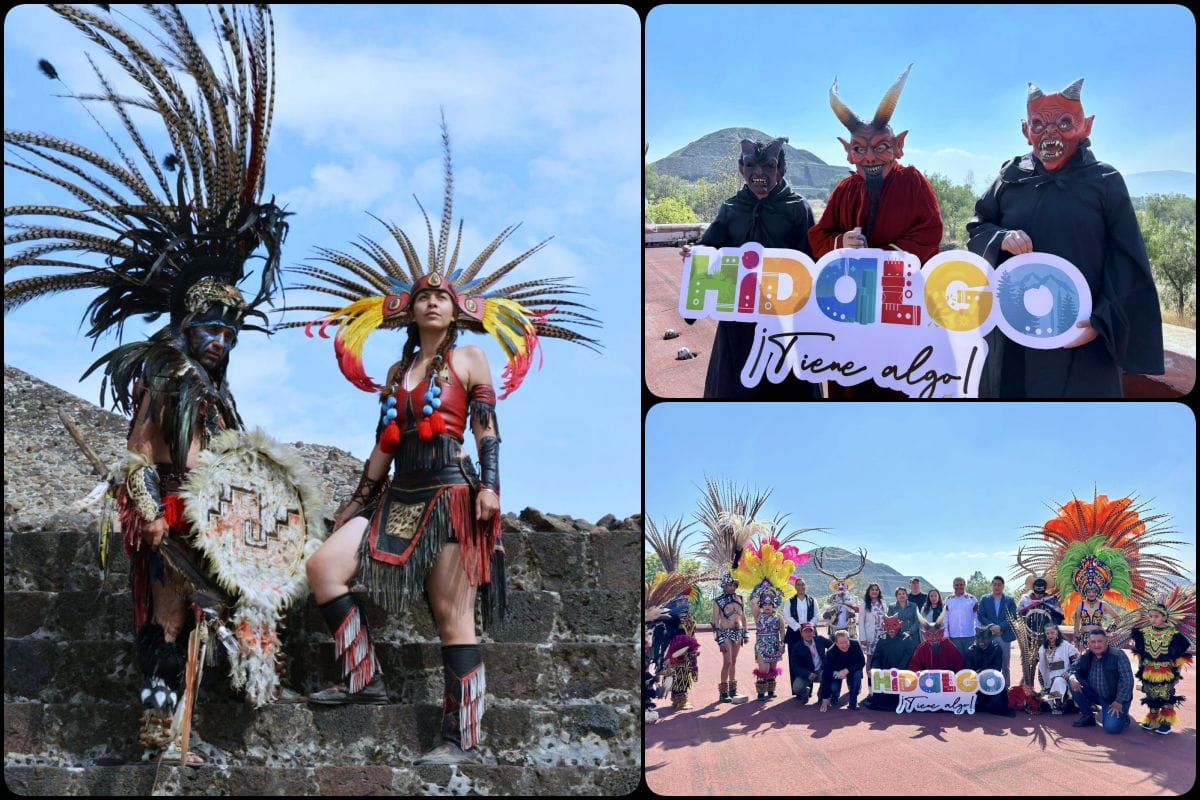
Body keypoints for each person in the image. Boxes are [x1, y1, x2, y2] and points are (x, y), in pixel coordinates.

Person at [3, 5, 293, 764]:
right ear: (187, 328)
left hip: (209, 519)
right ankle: (162, 738)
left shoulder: (217, 391)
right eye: (211, 328)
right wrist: (151, 513)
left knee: (196, 620)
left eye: (230, 330)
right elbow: (135, 452)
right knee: (168, 618)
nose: (222, 339)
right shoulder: (164, 375)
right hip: (170, 512)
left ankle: (178, 736)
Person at [289, 125, 599, 765]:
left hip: (452, 496)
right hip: (397, 493)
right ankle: (363, 679)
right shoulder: (399, 375)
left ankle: (465, 736)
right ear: (408, 312)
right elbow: (382, 445)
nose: (432, 302)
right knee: (324, 567)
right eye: (424, 296)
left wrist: (490, 488)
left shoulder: (470, 357)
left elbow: (487, 429)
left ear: (457, 311)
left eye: (442, 297)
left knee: (450, 615)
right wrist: (353, 505)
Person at [966, 78, 1164, 397]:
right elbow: (978, 225)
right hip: (1016, 333)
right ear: (1025, 130)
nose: (1050, 134)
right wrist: (1000, 237)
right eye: (1039, 124)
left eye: (1064, 123)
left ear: (1086, 127)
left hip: (1081, 337)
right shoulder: (1010, 174)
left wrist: (1102, 321)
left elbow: (1126, 258)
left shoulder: (1105, 181)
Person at [809, 64, 944, 400]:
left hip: (897, 305)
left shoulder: (913, 182)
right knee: (849, 382)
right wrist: (842, 244)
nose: (869, 156)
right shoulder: (844, 189)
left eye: (881, 146)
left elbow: (930, 232)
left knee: (897, 382)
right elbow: (819, 236)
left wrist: (880, 259)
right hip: (849, 308)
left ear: (899, 146)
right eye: (860, 147)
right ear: (847, 150)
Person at [681, 136, 822, 399]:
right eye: (750, 166)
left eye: (768, 166)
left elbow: (810, 262)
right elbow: (710, 248)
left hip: (784, 323)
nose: (759, 173)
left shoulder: (797, 209)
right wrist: (694, 252)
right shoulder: (731, 208)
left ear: (781, 170)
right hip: (738, 322)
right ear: (740, 169)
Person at [1129, 588, 1195, 735]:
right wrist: (1142, 669)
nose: (1152, 619)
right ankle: (1152, 719)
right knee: (1151, 695)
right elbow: (1141, 654)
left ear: (1164, 617)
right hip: (1149, 671)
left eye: (1156, 616)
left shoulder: (1174, 634)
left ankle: (1166, 723)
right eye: (1150, 616)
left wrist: (1176, 675)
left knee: (1166, 696)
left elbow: (1180, 656)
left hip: (1167, 671)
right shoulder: (1143, 633)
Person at [1068, 628, 1133, 734]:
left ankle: (1123, 714)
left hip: (1115, 699)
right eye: (1093, 642)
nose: (1096, 645)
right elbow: (1073, 669)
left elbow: (1127, 681)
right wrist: (1072, 678)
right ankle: (1088, 716)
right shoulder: (1086, 655)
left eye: (1100, 641)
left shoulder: (1118, 655)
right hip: (1097, 695)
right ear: (1089, 643)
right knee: (1073, 681)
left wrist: (1119, 701)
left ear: (1106, 641)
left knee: (1112, 728)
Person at [712, 571, 751, 704]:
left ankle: (733, 690)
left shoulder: (740, 598)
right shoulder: (718, 601)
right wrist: (719, 639)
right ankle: (723, 692)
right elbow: (715, 621)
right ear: (724, 586)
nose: (732, 587)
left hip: (738, 632)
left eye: (733, 585)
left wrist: (745, 632)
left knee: (733, 661)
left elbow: (743, 616)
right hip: (725, 633)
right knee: (727, 662)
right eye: (729, 585)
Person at [863, 614, 915, 711]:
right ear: (884, 626)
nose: (891, 629)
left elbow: (909, 656)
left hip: (902, 674)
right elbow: (877, 657)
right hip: (886, 674)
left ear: (899, 625)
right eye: (888, 626)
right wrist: (874, 668)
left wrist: (898, 670)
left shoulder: (906, 638)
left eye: (893, 625)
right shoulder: (882, 639)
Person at [975, 576, 1018, 688]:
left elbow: (1012, 617)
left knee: (1005, 663)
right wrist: (992, 626)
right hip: (989, 636)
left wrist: (1001, 627)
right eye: (995, 584)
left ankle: (1006, 687)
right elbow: (981, 616)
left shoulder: (1010, 600)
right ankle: (988, 686)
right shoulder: (985, 599)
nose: (997, 587)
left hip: (1004, 635)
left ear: (1003, 586)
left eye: (999, 584)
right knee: (989, 661)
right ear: (992, 586)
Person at [964, 628, 1016, 717]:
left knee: (996, 706)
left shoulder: (996, 649)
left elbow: (998, 668)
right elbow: (968, 670)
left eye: (985, 639)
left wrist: (983, 671)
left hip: (993, 681)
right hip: (976, 682)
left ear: (991, 639)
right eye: (978, 639)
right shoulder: (971, 650)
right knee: (970, 704)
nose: (981, 642)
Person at [784, 579, 820, 700]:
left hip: (810, 632)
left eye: (803, 585)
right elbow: (787, 617)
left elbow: (816, 615)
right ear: (795, 587)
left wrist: (808, 627)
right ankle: (798, 691)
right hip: (795, 633)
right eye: (798, 585)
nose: (801, 587)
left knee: (811, 659)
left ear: (806, 586)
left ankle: (809, 689)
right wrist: (799, 628)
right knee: (795, 661)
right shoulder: (789, 601)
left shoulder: (812, 600)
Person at [752, 585, 787, 701]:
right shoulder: (758, 616)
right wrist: (759, 587)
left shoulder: (778, 617)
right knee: (764, 669)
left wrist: (782, 645)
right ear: (762, 605)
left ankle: (771, 690)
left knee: (772, 668)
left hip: (775, 645)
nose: (767, 606)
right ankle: (761, 692)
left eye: (770, 604)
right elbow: (753, 602)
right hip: (761, 645)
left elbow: (782, 631)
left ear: (773, 605)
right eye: (765, 604)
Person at [818, 631, 866, 712]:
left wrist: (847, 670)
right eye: (841, 643)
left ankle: (853, 702)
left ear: (849, 639)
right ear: (836, 643)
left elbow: (861, 662)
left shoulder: (855, 644)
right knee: (834, 687)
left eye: (846, 642)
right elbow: (826, 674)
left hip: (851, 670)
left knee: (857, 675)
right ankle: (834, 696)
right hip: (836, 672)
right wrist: (825, 698)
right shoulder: (830, 652)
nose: (844, 645)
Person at [1037, 623, 1076, 715]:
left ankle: (1058, 703)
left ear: (1057, 633)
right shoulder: (1043, 648)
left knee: (1058, 681)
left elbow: (1075, 661)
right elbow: (1041, 666)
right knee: (1055, 681)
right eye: (1048, 633)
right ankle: (1056, 702)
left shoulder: (1066, 645)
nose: (1050, 635)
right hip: (1049, 677)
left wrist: (1070, 673)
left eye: (1052, 633)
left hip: (1065, 676)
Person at [792, 623, 832, 706]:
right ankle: (805, 693)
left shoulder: (820, 640)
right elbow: (795, 667)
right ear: (801, 633)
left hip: (821, 670)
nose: (808, 633)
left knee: (827, 676)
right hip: (807, 673)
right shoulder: (797, 647)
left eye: (810, 631)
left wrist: (829, 658)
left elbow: (833, 646)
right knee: (797, 688)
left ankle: (821, 694)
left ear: (814, 632)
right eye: (805, 631)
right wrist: (807, 674)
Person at [858, 583, 887, 695]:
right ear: (868, 592)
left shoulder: (883, 604)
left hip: (882, 636)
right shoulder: (865, 605)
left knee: (882, 660)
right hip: (870, 637)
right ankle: (870, 688)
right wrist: (863, 637)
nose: (874, 591)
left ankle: (882, 686)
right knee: (870, 660)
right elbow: (860, 622)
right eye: (872, 590)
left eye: (876, 589)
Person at [944, 577, 979, 657]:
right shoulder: (948, 600)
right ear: (953, 586)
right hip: (954, 635)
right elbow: (945, 619)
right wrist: (946, 634)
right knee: (956, 659)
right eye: (956, 585)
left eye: (961, 584)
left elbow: (976, 618)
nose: (959, 587)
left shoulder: (972, 599)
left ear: (965, 585)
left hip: (969, 635)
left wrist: (977, 633)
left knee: (970, 659)